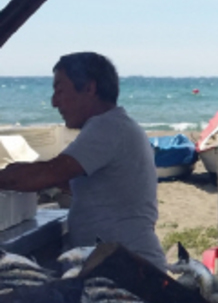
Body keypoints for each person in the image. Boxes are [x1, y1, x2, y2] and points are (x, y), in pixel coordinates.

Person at [0, 52, 166, 270]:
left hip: (129, 271)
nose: (54, 102)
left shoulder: (107, 126)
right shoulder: (120, 125)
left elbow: (49, 173)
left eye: (60, 91)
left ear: (89, 88)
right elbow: (83, 184)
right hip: (125, 265)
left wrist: (13, 177)